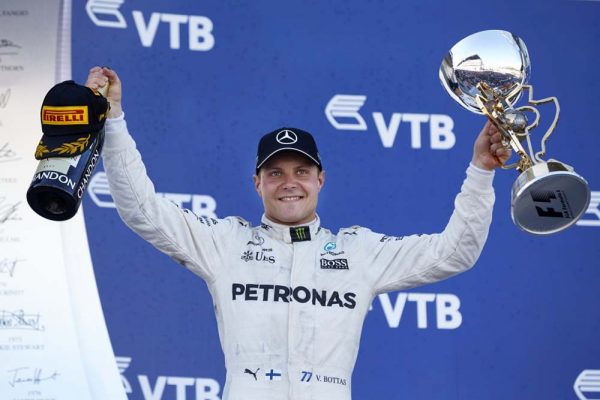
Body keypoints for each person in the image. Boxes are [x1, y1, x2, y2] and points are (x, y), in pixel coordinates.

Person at [87, 66, 510, 400]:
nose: (289, 183)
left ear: (320, 180)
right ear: (257, 183)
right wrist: (115, 119)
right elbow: (142, 209)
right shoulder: (226, 244)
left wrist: (481, 171)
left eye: (301, 171)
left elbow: (455, 252)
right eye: (275, 173)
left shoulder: (358, 252)